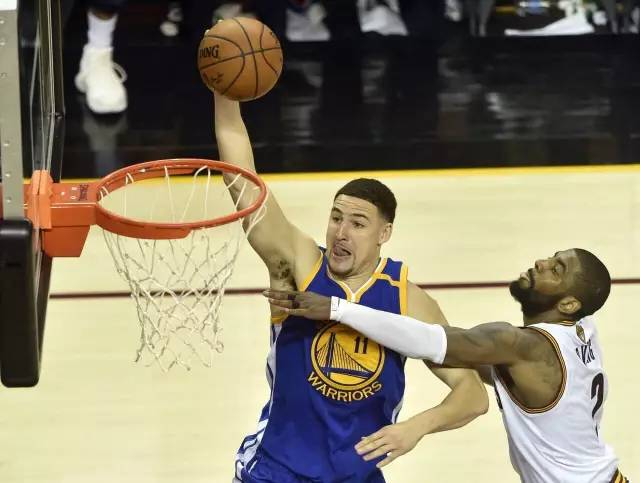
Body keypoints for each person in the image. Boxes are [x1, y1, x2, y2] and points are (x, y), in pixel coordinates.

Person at [213, 92, 488, 482]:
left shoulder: (406, 299)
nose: (341, 232)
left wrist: (416, 427)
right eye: (336, 217)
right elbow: (242, 178)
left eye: (358, 224)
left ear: (384, 234)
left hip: (355, 476)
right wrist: (224, 96)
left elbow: (473, 395)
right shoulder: (300, 265)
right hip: (276, 471)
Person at [264, 248, 629, 482]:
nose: (542, 263)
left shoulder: (520, 345)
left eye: (556, 270)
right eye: (552, 257)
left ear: (568, 305)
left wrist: (337, 309)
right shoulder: (583, 326)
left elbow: (432, 342)